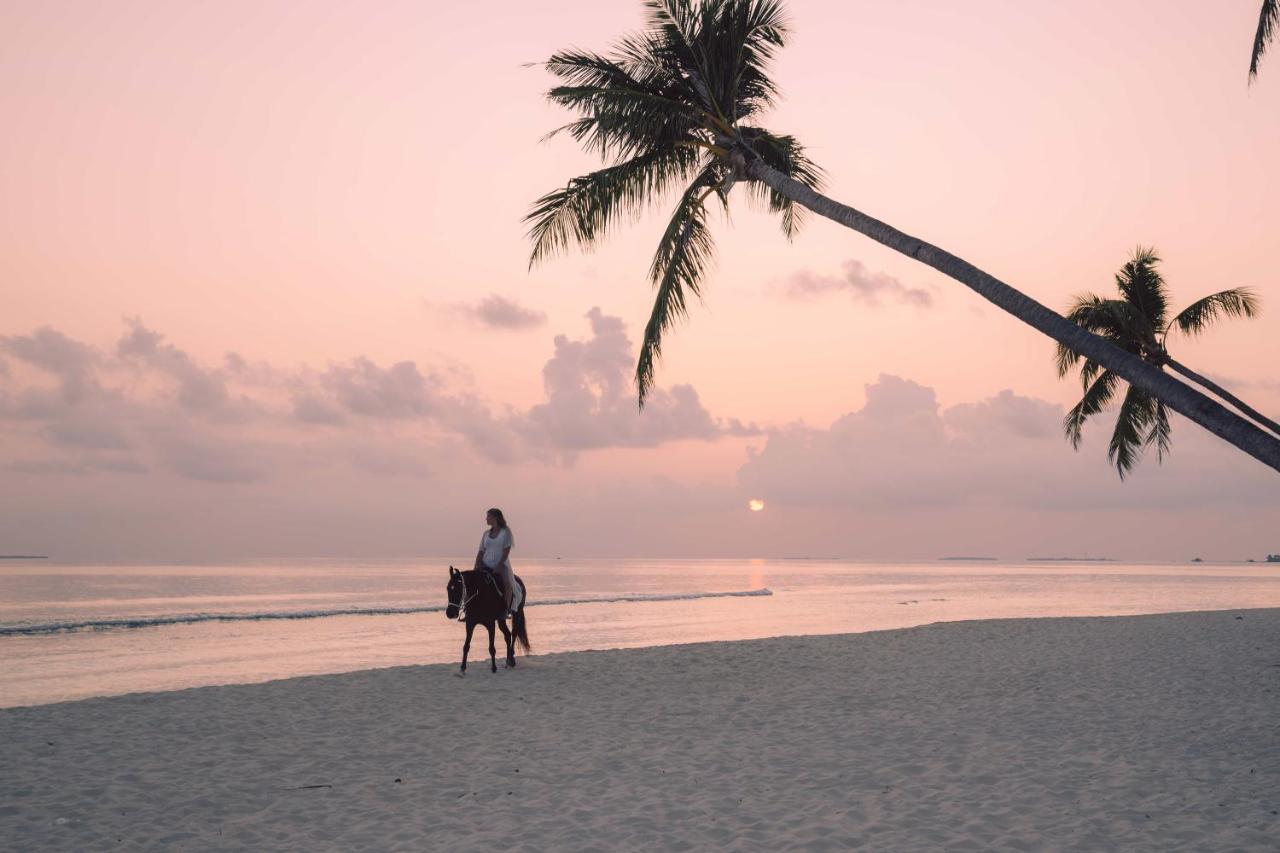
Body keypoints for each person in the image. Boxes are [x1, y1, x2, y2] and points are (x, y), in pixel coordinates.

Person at [474, 507, 515, 616]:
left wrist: (499, 565)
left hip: (501, 565)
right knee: (471, 583)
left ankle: (506, 610)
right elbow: (481, 551)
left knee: (508, 584)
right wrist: (476, 565)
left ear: (495, 518)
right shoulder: (486, 533)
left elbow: (506, 552)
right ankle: (468, 611)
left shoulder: (505, 532)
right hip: (485, 564)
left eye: (488, 516)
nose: (486, 519)